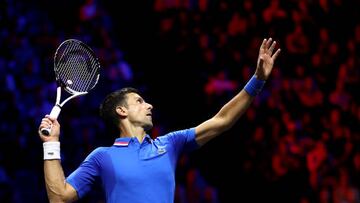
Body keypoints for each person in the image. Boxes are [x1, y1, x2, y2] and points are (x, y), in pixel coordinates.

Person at [38, 38, 281, 203]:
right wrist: (51, 144)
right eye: (140, 101)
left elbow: (222, 120)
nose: (149, 105)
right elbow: (59, 198)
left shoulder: (170, 144)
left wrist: (258, 80)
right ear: (121, 111)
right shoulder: (102, 157)